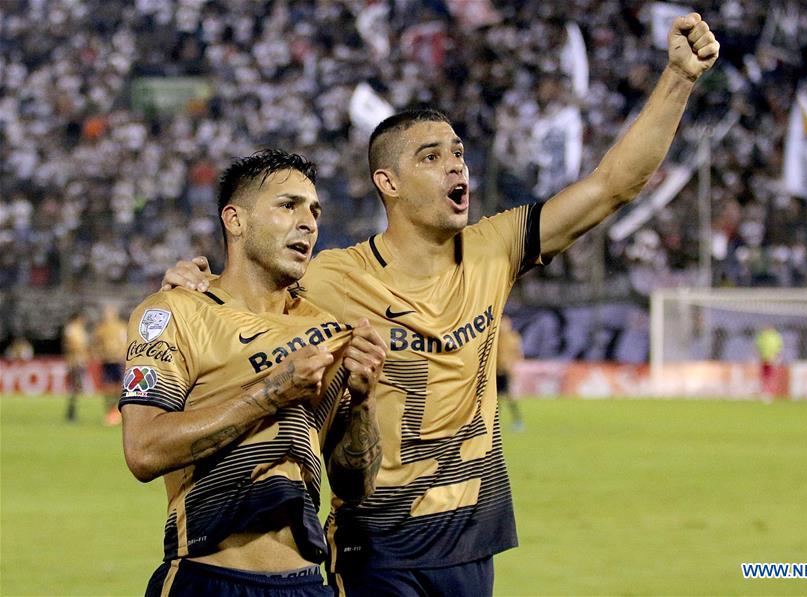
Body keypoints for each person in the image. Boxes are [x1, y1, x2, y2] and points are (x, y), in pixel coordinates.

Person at [163, 14, 719, 595]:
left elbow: (613, 185)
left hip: (472, 539)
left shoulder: (494, 247)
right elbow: (242, 297)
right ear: (389, 183)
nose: (457, 163)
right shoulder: (330, 278)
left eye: (458, 152)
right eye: (431, 156)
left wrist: (679, 77)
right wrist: (191, 281)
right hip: (375, 543)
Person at [122, 149, 386, 596]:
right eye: (288, 205)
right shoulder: (173, 313)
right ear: (235, 220)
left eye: (314, 210)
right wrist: (271, 393)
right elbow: (143, 451)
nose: (309, 221)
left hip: (306, 584)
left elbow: (354, 485)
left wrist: (363, 401)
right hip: (206, 579)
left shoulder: (328, 332)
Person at [93, 304, 128, 425]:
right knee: (107, 387)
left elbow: (126, 342)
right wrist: (98, 353)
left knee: (119, 387)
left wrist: (123, 354)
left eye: (110, 314)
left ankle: (118, 412)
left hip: (118, 361)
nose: (108, 316)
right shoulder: (101, 328)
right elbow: (96, 343)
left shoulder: (121, 327)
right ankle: (110, 411)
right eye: (106, 314)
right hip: (106, 361)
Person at [497, 316, 524, 432]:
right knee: (495, 399)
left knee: (510, 398)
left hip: (507, 372)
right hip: (495, 372)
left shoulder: (513, 338)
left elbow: (519, 354)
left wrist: (513, 366)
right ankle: (494, 423)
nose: (503, 326)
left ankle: (518, 421)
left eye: (505, 324)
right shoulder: (494, 338)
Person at [63, 311, 90, 422]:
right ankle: (71, 412)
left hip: (81, 361)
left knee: (77, 388)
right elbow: (69, 344)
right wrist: (79, 349)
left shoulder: (80, 330)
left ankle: (72, 411)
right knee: (75, 387)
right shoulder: (71, 329)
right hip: (74, 361)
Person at [755, 325, 784, 400]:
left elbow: (779, 347)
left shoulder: (775, 336)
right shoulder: (762, 336)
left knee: (771, 376)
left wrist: (777, 356)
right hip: (764, 358)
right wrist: (760, 355)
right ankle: (765, 392)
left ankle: (770, 393)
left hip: (772, 359)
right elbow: (758, 346)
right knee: (765, 376)